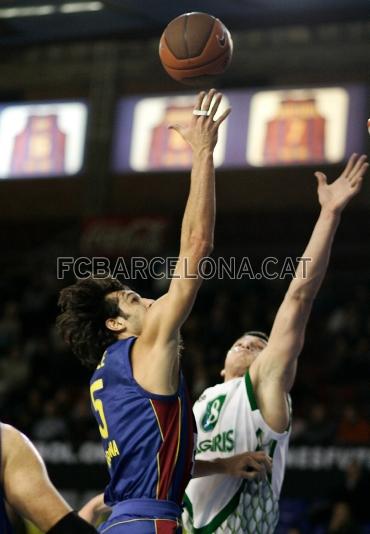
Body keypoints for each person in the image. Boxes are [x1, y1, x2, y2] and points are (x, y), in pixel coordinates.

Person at [57, 89, 271, 534]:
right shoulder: (146, 347)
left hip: (125, 522)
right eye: (136, 300)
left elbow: (158, 463)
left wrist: (223, 464)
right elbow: (197, 245)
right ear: (116, 324)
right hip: (151, 525)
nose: (151, 301)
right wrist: (203, 152)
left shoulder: (107, 374)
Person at [182, 153, 368, 533]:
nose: (249, 345)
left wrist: (329, 214)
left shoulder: (263, 387)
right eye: (242, 342)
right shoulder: (199, 403)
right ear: (220, 366)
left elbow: (299, 297)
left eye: (260, 345)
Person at [0, 422, 98, 533]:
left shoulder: (6, 439)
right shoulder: (6, 439)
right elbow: (65, 526)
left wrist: (93, 506)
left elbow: (64, 525)